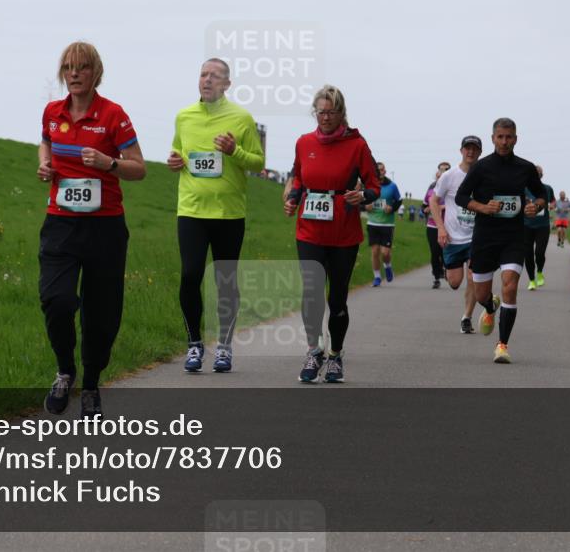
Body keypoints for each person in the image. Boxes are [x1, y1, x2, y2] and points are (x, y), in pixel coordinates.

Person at [37, 41, 146, 417]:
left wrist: (108, 163)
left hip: (105, 229)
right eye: (68, 67)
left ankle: (93, 382)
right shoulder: (53, 112)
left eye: (81, 67)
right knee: (57, 300)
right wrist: (45, 165)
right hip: (61, 225)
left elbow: (139, 167)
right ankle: (65, 370)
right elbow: (46, 143)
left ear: (95, 72)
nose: (73, 74)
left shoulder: (113, 115)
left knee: (101, 313)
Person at [167, 58, 265, 373]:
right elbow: (178, 151)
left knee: (224, 282)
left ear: (227, 84)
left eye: (215, 76)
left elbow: (257, 163)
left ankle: (224, 346)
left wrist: (234, 150)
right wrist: (175, 161)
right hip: (192, 210)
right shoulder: (184, 117)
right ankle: (194, 344)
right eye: (203, 74)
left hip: (228, 214)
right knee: (190, 275)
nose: (207, 80)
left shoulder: (242, 118)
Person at [285, 85, 379, 384]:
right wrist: (293, 196)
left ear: (342, 113)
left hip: (343, 234)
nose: (325, 117)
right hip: (309, 229)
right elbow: (298, 175)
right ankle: (314, 351)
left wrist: (361, 196)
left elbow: (374, 185)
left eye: (331, 112)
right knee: (311, 294)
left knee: (336, 299)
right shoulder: (304, 142)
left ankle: (336, 355)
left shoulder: (357, 145)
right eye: (321, 112)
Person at [455, 119, 546, 364]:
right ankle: (490, 306)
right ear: (493, 138)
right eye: (500, 137)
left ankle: (502, 345)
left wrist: (534, 207)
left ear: (516, 138)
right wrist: (483, 207)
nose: (505, 141)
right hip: (485, 237)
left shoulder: (525, 168)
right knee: (482, 293)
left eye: (509, 137)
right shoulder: (481, 167)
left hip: (513, 237)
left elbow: (541, 196)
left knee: (510, 286)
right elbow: (461, 197)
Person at [429, 139, 482, 333]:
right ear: (461, 151)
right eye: (468, 148)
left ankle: (466, 317)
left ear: (480, 152)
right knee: (454, 282)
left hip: (476, 236)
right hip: (452, 237)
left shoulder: (484, 174)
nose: (471, 152)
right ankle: (447, 268)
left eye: (475, 149)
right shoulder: (449, 176)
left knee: (473, 277)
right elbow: (434, 201)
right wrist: (441, 228)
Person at [364, 161, 402, 286]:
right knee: (375, 252)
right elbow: (361, 200)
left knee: (385, 253)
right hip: (373, 223)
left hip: (387, 224)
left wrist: (392, 208)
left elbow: (399, 201)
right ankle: (377, 277)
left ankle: (387, 265)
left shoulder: (392, 186)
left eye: (381, 170)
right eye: (377, 170)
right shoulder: (368, 185)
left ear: (385, 171)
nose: (380, 172)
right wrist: (366, 206)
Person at [524, 166, 555, 290]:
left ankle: (540, 272)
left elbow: (553, 201)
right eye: (534, 174)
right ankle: (531, 280)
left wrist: (552, 205)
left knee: (539, 253)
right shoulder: (524, 189)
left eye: (539, 174)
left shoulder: (547, 188)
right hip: (526, 225)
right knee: (528, 254)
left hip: (542, 225)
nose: (536, 176)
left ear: (542, 175)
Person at [424, 161, 452, 289]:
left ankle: (446, 269)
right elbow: (425, 205)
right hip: (432, 225)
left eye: (446, 169)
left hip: (447, 225)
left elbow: (457, 204)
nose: (443, 171)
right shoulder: (431, 187)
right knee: (434, 252)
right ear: (438, 172)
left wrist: (441, 206)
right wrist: (426, 209)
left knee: (444, 251)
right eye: (441, 169)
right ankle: (436, 277)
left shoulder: (452, 187)